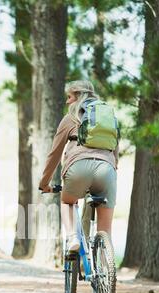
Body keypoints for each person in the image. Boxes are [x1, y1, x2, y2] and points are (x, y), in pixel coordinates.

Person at [38, 80, 119, 252]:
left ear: (78, 96)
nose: (67, 102)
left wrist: (44, 183)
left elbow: (54, 154)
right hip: (107, 169)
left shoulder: (71, 118)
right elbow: (115, 148)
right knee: (105, 230)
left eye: (69, 97)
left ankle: (72, 237)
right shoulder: (108, 117)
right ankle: (107, 268)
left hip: (78, 168)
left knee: (67, 202)